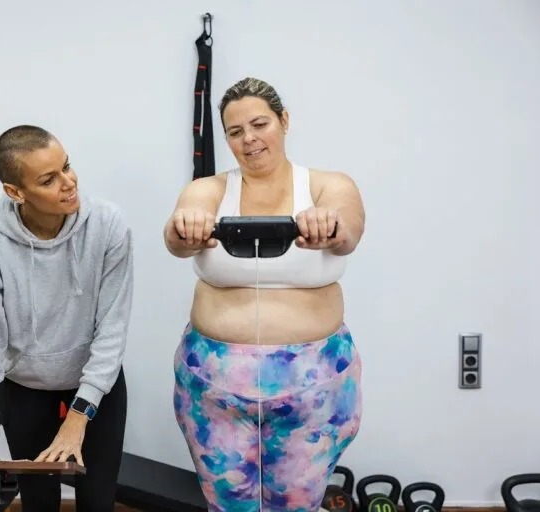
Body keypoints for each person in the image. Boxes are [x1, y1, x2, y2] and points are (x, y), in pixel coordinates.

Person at [164, 77, 365, 512]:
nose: (249, 139)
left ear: (284, 120)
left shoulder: (329, 186)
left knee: (296, 503)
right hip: (215, 388)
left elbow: (347, 232)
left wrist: (327, 222)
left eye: (259, 124)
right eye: (235, 132)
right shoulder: (208, 190)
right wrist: (187, 227)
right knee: (229, 504)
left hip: (311, 388)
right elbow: (176, 236)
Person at [0, 125, 134, 512]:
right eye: (49, 179)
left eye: (67, 167)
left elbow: (111, 333)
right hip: (25, 389)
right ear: (15, 192)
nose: (69, 183)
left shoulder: (108, 226)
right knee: (39, 504)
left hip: (96, 385)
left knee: (98, 503)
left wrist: (78, 419)